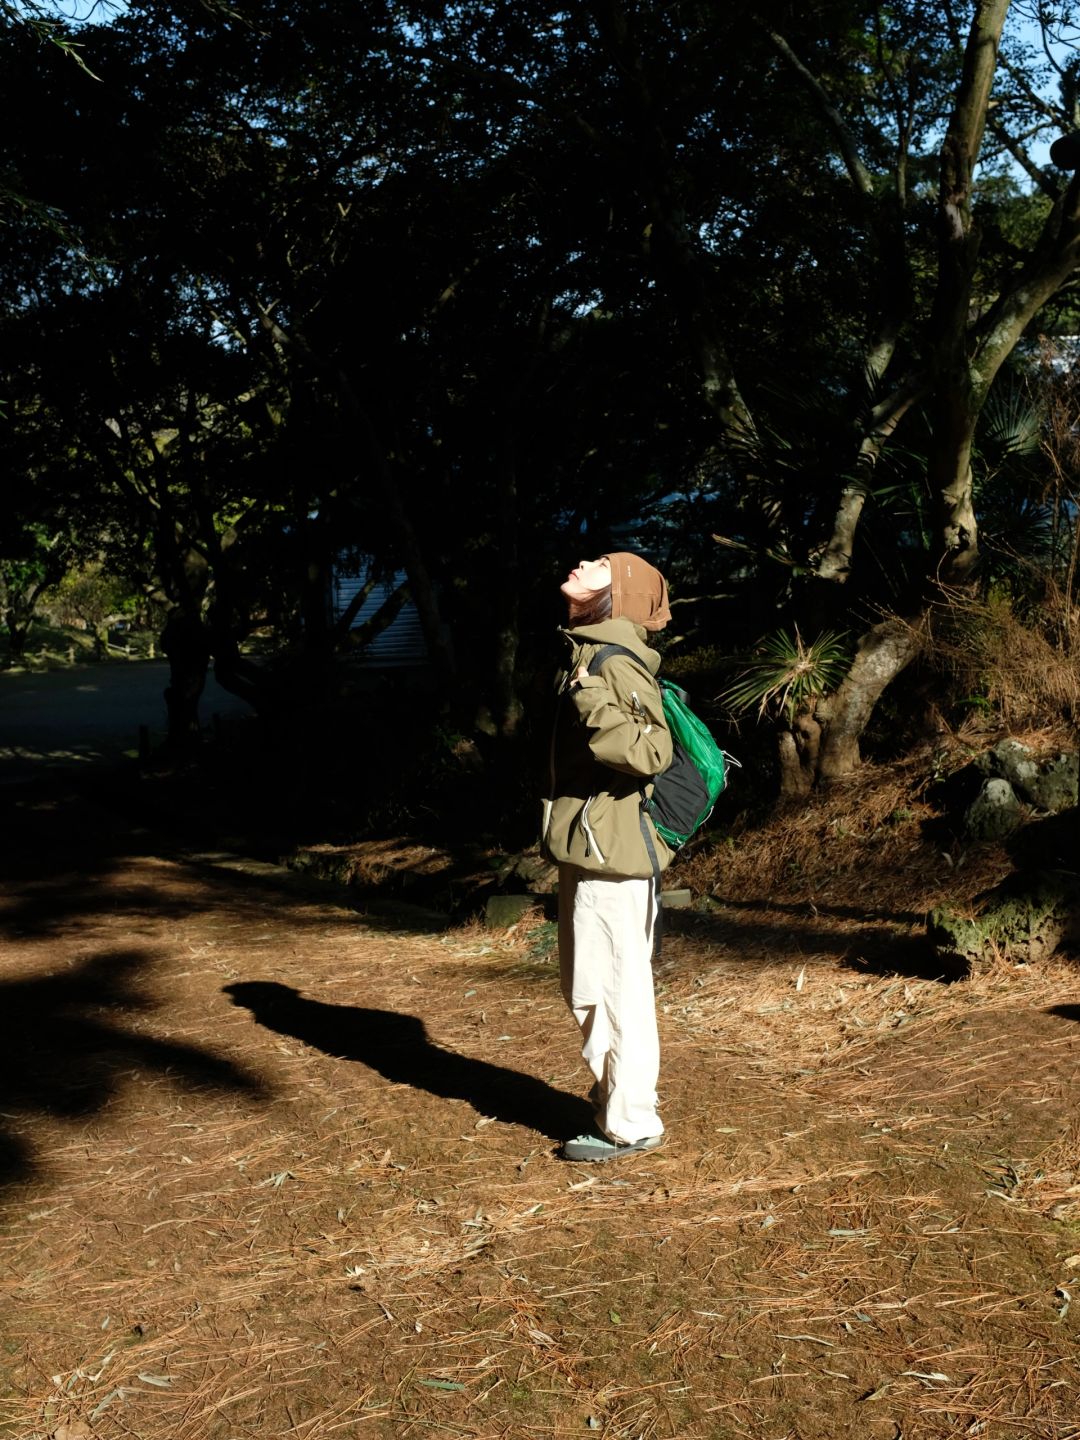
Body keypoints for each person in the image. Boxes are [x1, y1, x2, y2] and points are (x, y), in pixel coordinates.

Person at [542, 551, 674, 1162]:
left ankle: (631, 1122)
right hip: (595, 847)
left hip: (614, 853)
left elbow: (652, 751)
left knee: (615, 986)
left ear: (616, 590)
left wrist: (592, 696)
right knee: (592, 983)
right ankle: (616, 1102)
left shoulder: (610, 660)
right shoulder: (588, 652)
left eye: (597, 564)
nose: (579, 564)